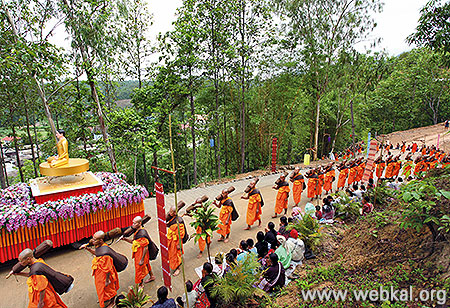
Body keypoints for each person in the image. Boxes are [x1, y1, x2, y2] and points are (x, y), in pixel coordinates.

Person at [81, 231, 120, 308]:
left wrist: (107, 280)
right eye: (93, 238)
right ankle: (104, 297)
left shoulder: (106, 253)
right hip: (99, 272)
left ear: (101, 240)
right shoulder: (98, 246)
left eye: (95, 239)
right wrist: (87, 248)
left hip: (107, 275)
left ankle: (112, 302)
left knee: (110, 289)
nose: (93, 241)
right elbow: (97, 253)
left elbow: (108, 268)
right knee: (101, 288)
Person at [120, 216, 156, 287]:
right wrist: (125, 239)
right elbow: (134, 242)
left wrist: (142, 259)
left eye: (135, 223)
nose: (133, 225)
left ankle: (140, 284)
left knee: (140, 268)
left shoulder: (142, 234)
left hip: (142, 254)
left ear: (139, 223)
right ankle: (152, 276)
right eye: (133, 223)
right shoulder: (137, 232)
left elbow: (145, 247)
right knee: (146, 264)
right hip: (138, 252)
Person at [166, 206, 189, 276]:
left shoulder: (179, 221)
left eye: (171, 212)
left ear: (175, 213)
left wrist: (179, 244)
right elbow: (170, 224)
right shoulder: (172, 218)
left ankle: (178, 268)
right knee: (172, 253)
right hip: (171, 240)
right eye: (169, 211)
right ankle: (176, 263)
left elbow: (180, 235)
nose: (170, 213)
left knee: (177, 254)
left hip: (176, 241)